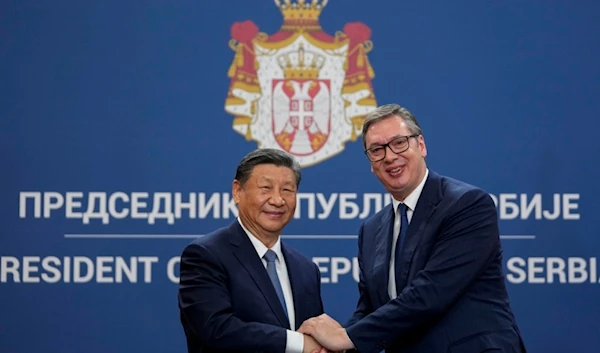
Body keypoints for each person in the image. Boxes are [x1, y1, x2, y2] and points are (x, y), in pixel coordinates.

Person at [299, 104, 527, 353]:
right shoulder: (370, 230)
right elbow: (370, 310)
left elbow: (430, 293)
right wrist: (335, 347)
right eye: (377, 150)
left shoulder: (467, 205)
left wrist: (346, 337)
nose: (389, 156)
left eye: (399, 143)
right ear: (370, 163)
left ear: (421, 145)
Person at [178, 148, 325, 353]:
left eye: (287, 190)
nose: (277, 200)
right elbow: (216, 328)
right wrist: (297, 342)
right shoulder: (206, 255)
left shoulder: (306, 269)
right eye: (266, 188)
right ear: (237, 191)